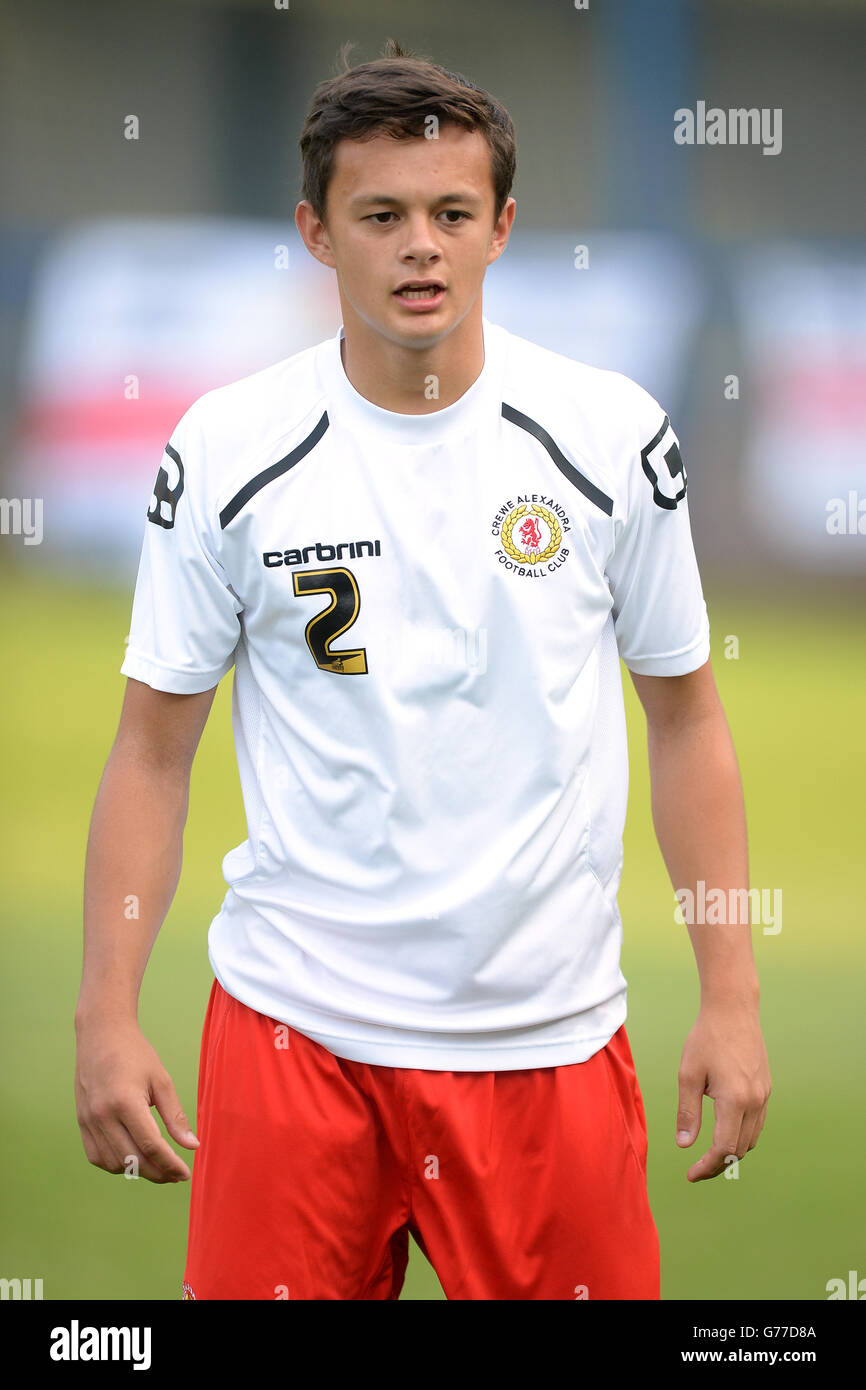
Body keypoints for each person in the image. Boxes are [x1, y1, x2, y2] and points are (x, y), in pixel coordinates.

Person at [74, 38, 771, 1301]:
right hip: (295, 1035)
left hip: (547, 1043)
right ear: (314, 232)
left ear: (502, 228)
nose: (419, 246)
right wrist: (105, 1011)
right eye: (379, 214)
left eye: (451, 213)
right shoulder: (226, 448)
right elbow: (150, 750)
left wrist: (730, 993)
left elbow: (686, 719)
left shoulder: (610, 437)